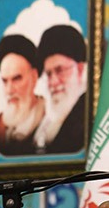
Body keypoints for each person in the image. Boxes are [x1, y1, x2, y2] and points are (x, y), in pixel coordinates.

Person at [33, 23, 88, 155]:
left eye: (60, 71)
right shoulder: (47, 122)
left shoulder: (87, 117)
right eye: (49, 74)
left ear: (80, 70)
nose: (53, 82)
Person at [0, 33, 45, 157]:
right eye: (5, 81)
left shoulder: (51, 119)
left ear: (34, 77)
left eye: (16, 79)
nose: (9, 90)